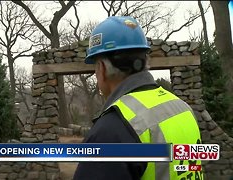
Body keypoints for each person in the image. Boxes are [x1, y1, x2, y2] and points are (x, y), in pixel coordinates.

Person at [73, 16, 203, 180]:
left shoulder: (111, 131)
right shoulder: (182, 108)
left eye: (95, 66)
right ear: (144, 61)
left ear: (103, 68)